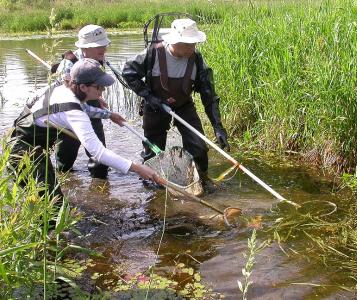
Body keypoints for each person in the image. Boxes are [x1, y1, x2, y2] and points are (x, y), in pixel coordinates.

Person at [8, 58, 158, 203]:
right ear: (83, 87)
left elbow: (82, 107)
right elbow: (98, 153)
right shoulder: (74, 113)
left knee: (47, 203)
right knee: (53, 209)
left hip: (20, 143)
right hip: (25, 154)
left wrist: (109, 115)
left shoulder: (62, 88)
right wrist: (138, 168)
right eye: (99, 86)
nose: (103, 90)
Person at [122, 18, 229, 188]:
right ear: (173, 41)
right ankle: (152, 190)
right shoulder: (152, 54)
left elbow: (209, 96)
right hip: (155, 105)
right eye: (187, 44)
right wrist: (149, 96)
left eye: (193, 44)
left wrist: (218, 127)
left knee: (199, 147)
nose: (192, 48)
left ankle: (200, 182)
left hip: (183, 105)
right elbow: (128, 73)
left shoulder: (197, 60)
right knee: (153, 151)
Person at [55, 24, 117, 179]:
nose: (103, 49)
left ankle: (101, 189)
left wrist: (97, 97)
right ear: (85, 48)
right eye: (98, 46)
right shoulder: (68, 64)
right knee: (65, 162)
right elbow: (67, 98)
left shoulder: (100, 58)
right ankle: (64, 189)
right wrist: (108, 114)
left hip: (93, 110)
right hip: (68, 115)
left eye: (104, 44)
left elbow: (93, 85)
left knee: (100, 159)